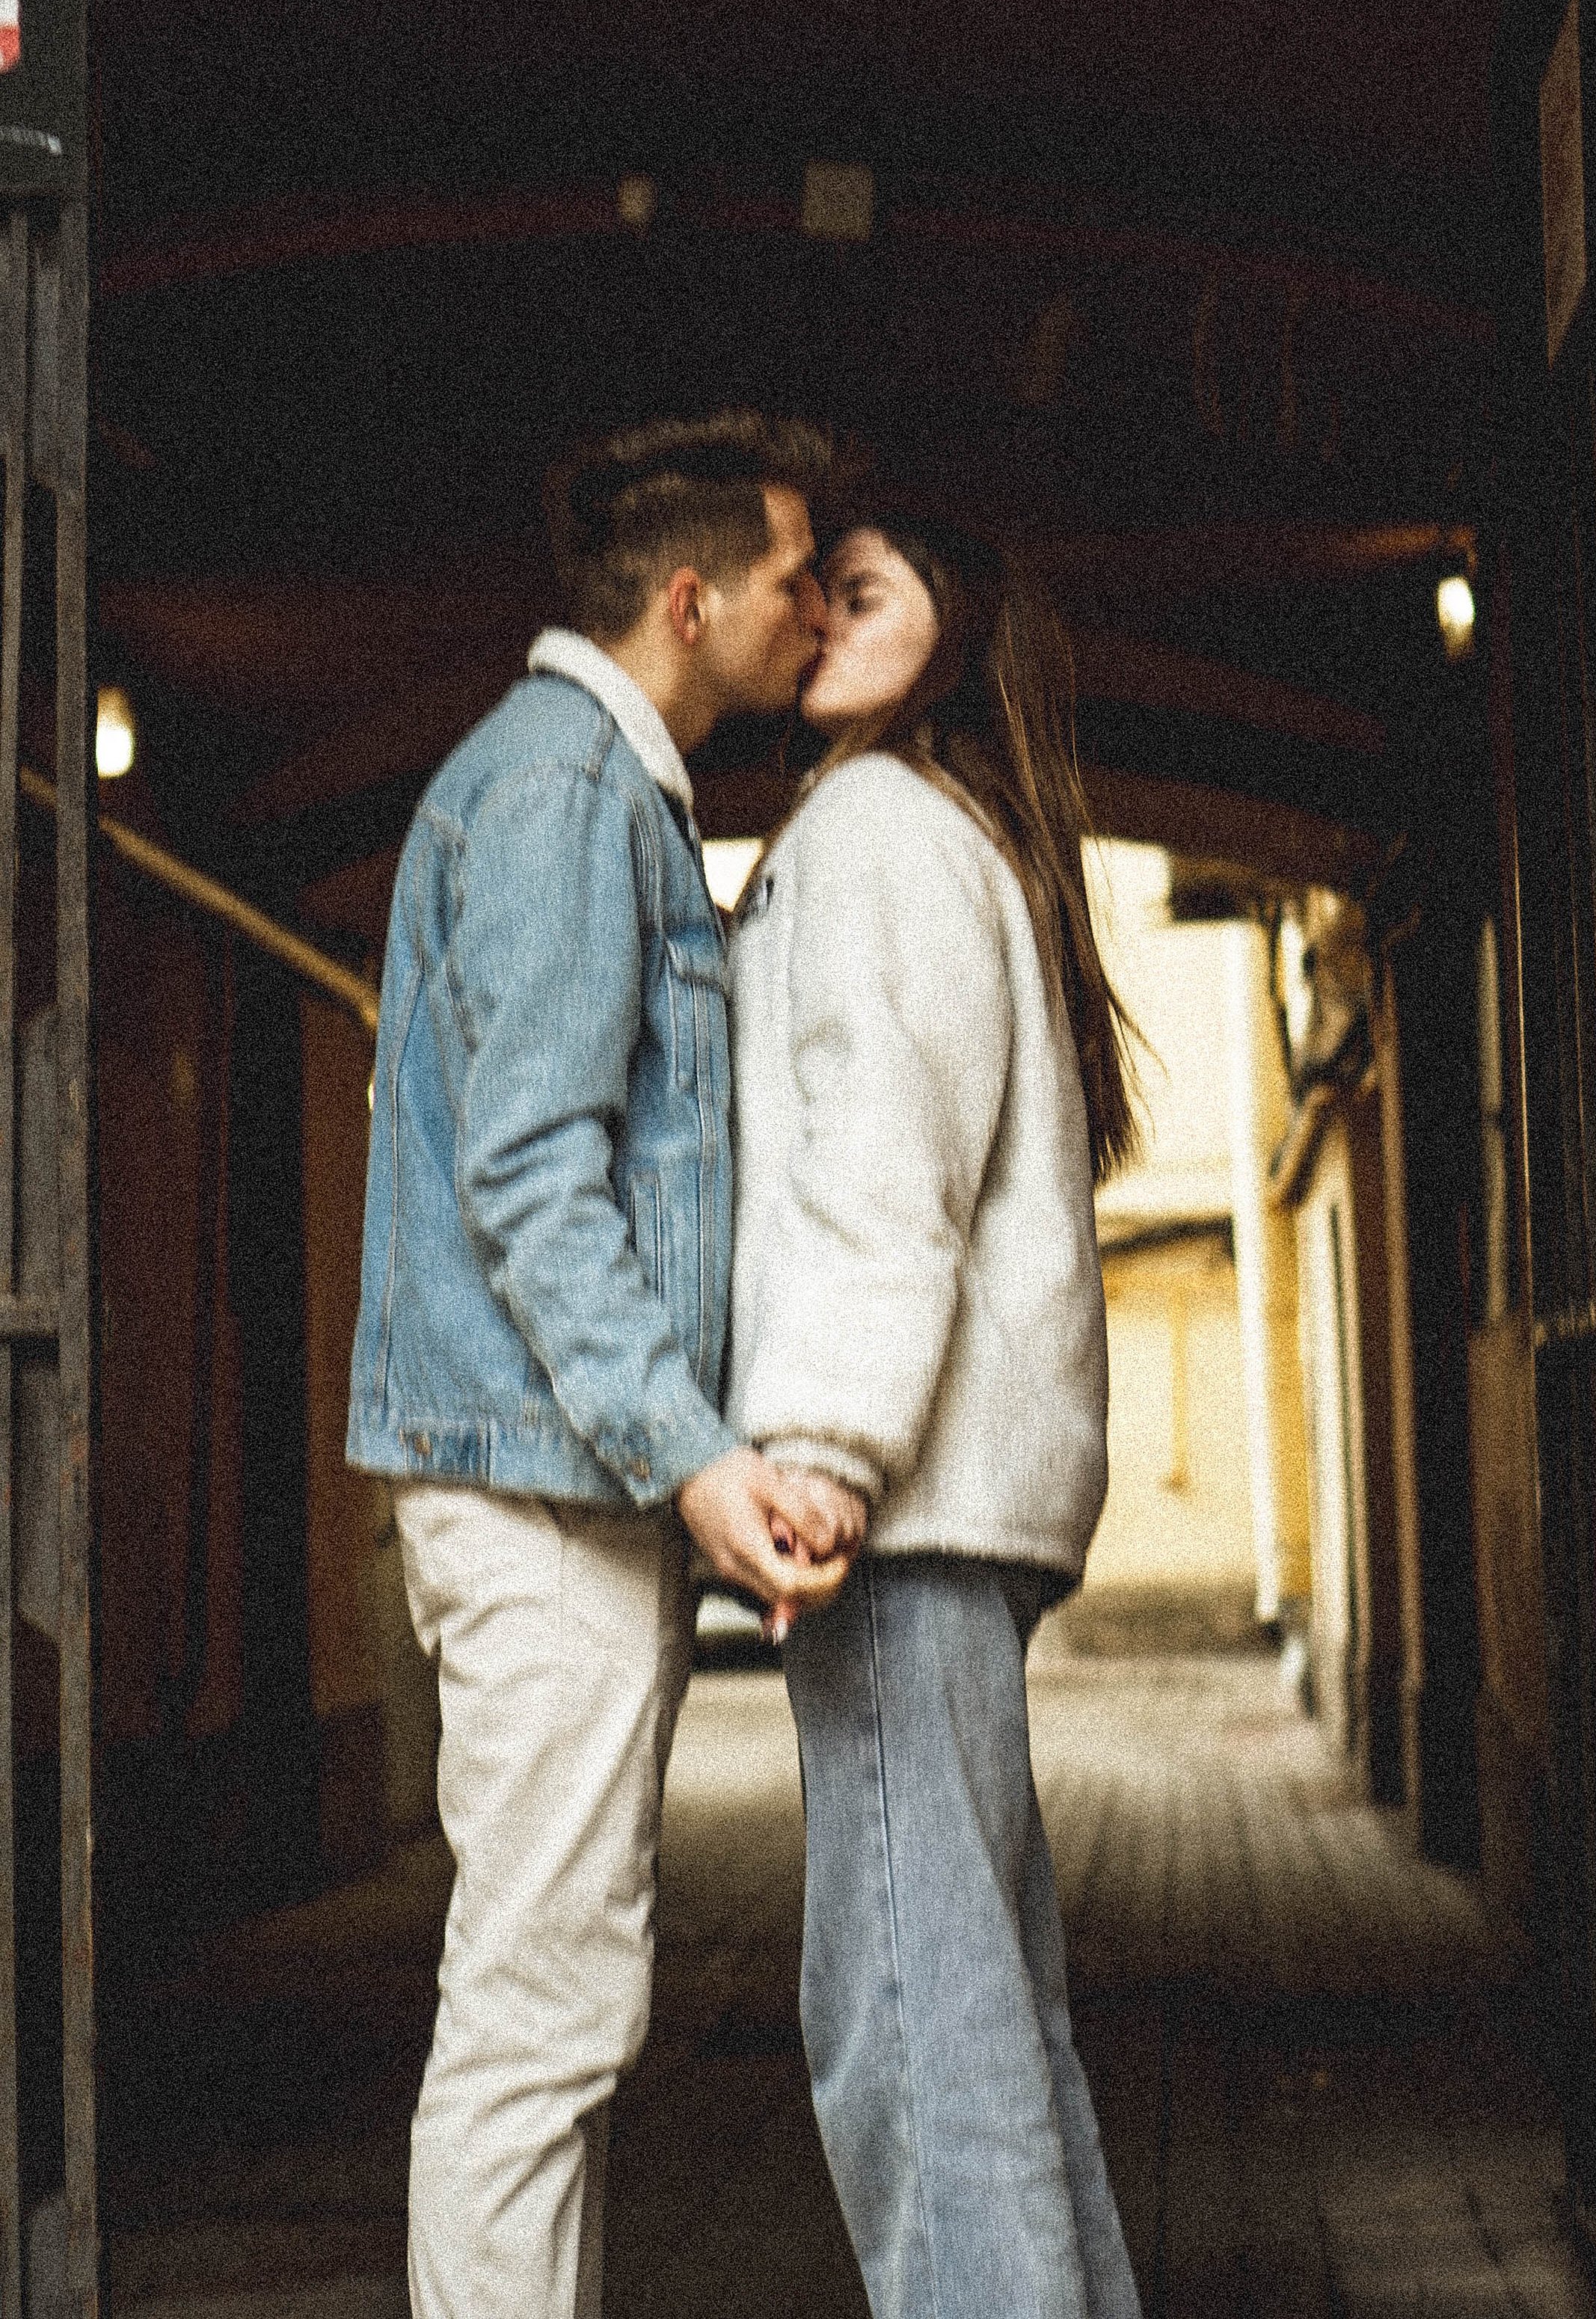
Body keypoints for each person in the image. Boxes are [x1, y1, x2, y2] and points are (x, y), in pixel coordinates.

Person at [346, 410, 866, 2319]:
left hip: (549, 1480)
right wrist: (697, 1459)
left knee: (552, 2005)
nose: (818, 611)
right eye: (796, 578)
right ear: (691, 599)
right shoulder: (570, 790)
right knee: (538, 2017)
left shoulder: (590, 785)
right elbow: (533, 1181)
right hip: (539, 1493)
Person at [725, 509, 1145, 2319]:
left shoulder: (879, 831)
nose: (821, 615)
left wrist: (821, 1450)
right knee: (989, 2016)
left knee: (908, 2026)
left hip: (899, 1507)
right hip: (957, 1501)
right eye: (815, 589)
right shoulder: (951, 832)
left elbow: (881, 1163)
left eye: (865, 592)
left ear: (953, 631)